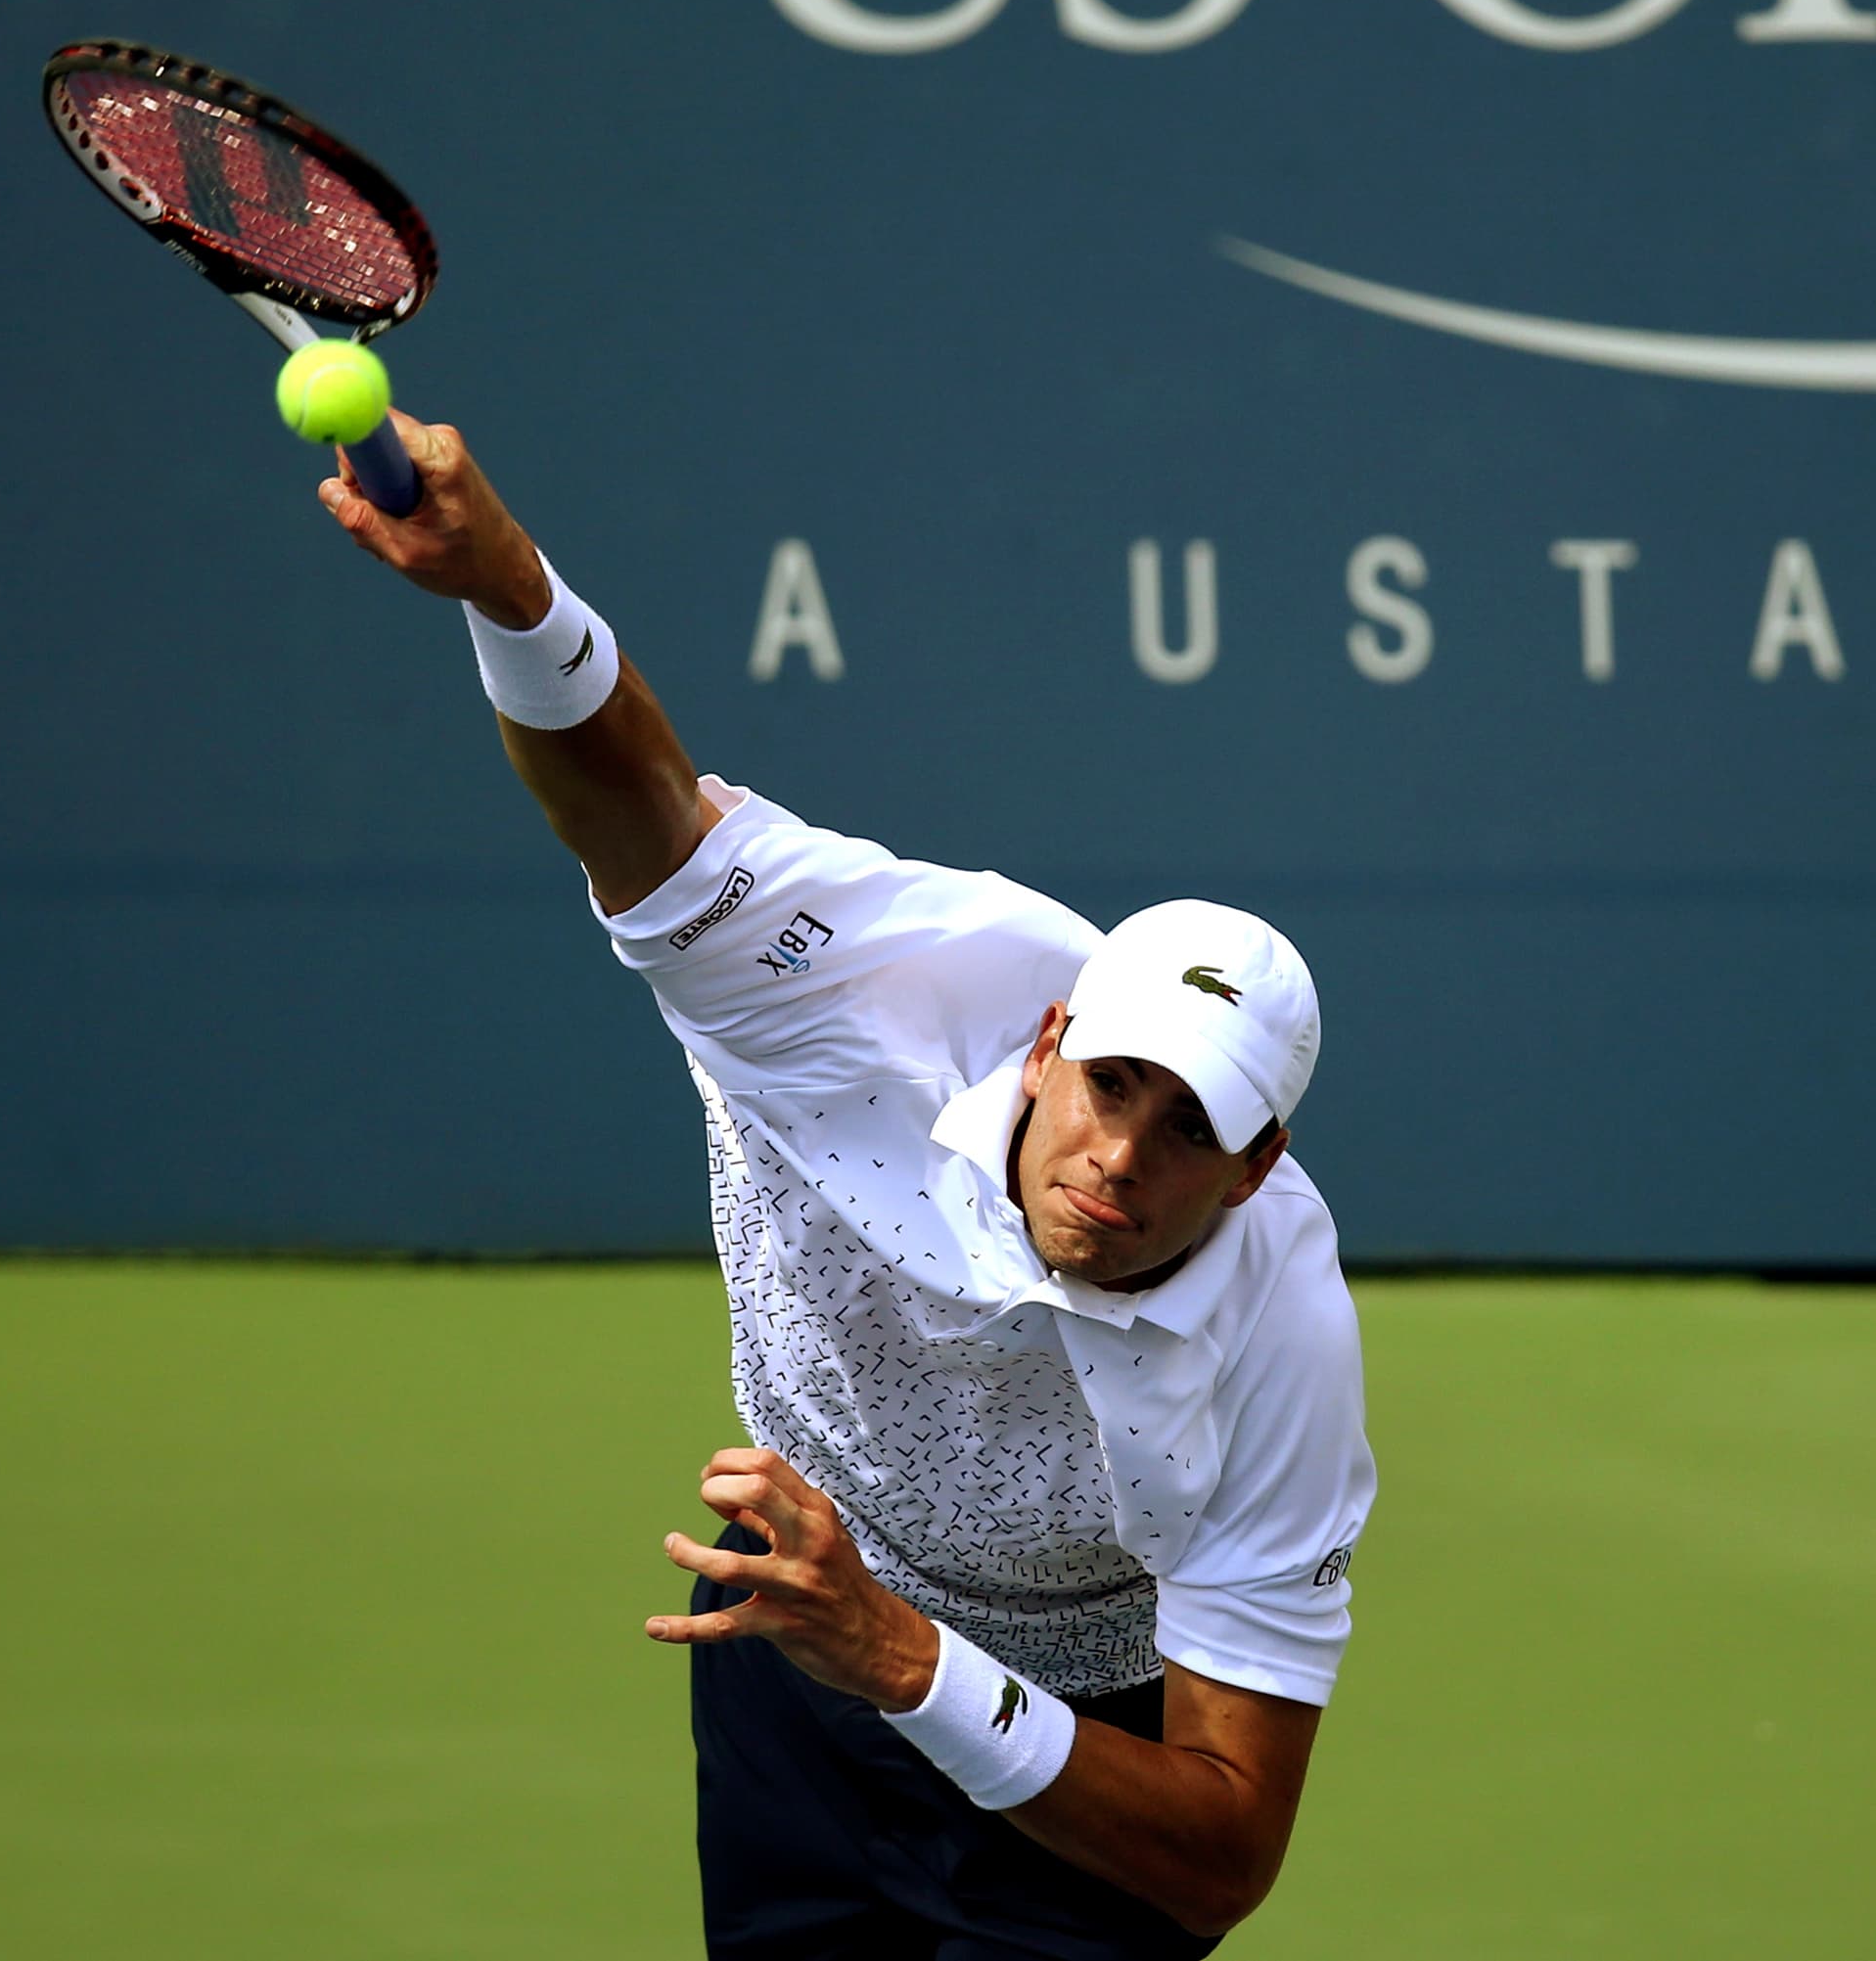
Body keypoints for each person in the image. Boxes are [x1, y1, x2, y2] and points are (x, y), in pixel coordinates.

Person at [314, 413, 1374, 1958]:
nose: (1123, 1156)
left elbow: (1223, 1848)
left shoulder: (1286, 1338)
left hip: (1086, 1741)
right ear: (1053, 1036)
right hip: (797, 1649)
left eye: (1190, 1130)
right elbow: (644, 817)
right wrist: (512, 591)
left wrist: (912, 1661)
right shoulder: (876, 987)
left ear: (1258, 1167)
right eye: (1113, 1084)